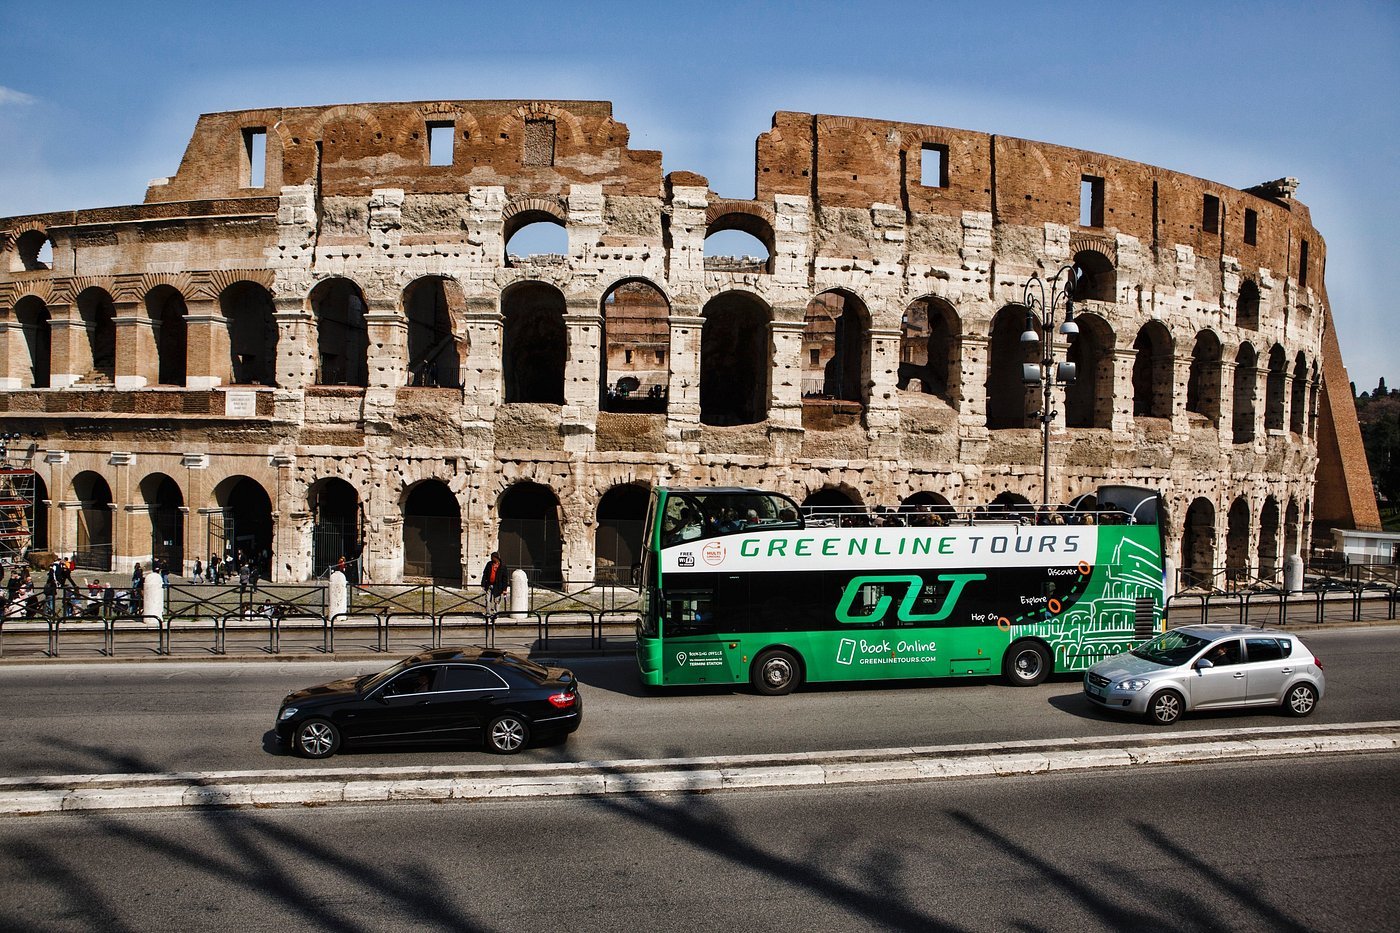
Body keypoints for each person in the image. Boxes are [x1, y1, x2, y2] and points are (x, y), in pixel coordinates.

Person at [480, 551, 509, 616]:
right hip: (489, 585)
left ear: (496, 558)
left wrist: (504, 589)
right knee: (487, 600)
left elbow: (505, 578)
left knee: (497, 601)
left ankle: (496, 614)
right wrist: (483, 584)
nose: (491, 558)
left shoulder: (503, 566)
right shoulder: (489, 564)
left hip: (498, 586)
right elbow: (485, 574)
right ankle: (488, 613)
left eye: (492, 557)